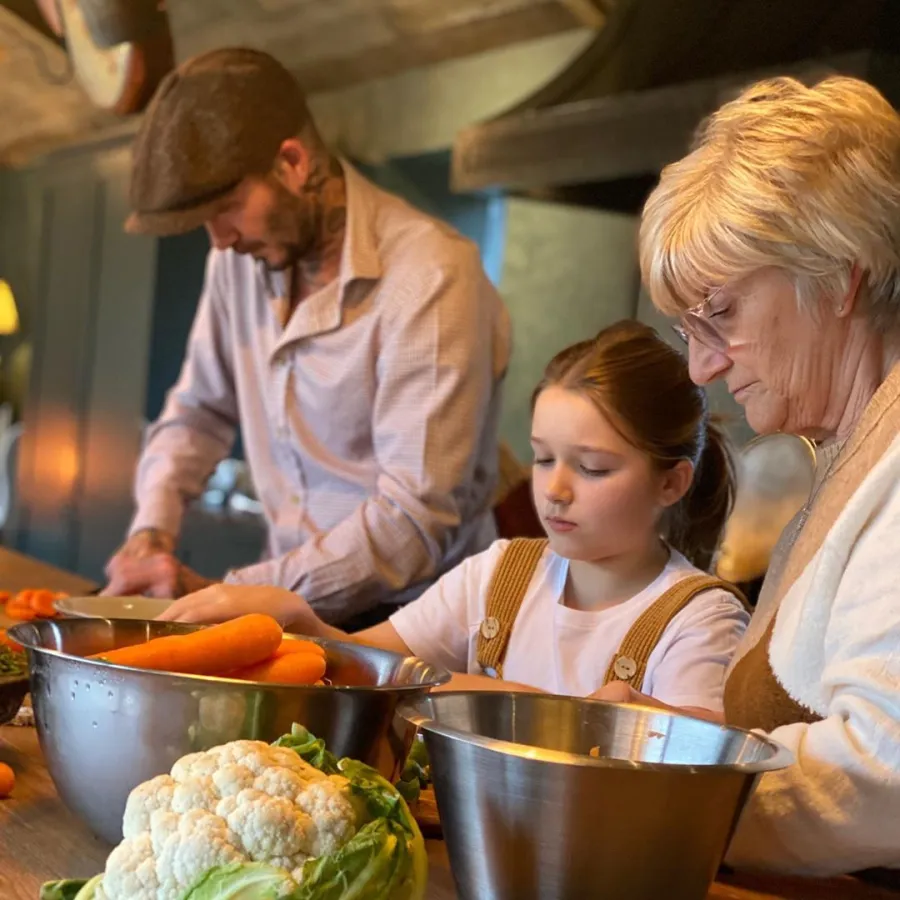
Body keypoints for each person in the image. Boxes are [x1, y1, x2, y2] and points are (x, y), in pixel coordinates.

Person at [102, 48, 510, 627]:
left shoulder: (432, 276)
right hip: (290, 612)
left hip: (410, 630)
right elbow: (198, 413)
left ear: (291, 162)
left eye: (228, 208)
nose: (219, 240)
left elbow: (413, 521)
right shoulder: (237, 263)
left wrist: (235, 592)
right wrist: (151, 529)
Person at [161, 321, 749, 716]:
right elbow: (373, 670)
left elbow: (692, 776)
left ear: (671, 481)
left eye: (593, 469)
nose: (556, 490)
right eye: (543, 459)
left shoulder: (699, 620)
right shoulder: (500, 575)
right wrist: (305, 623)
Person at [625, 74, 900, 881]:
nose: (702, 366)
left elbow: (883, 770)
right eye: (687, 329)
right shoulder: (851, 447)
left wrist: (653, 780)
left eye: (722, 314)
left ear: (840, 274)